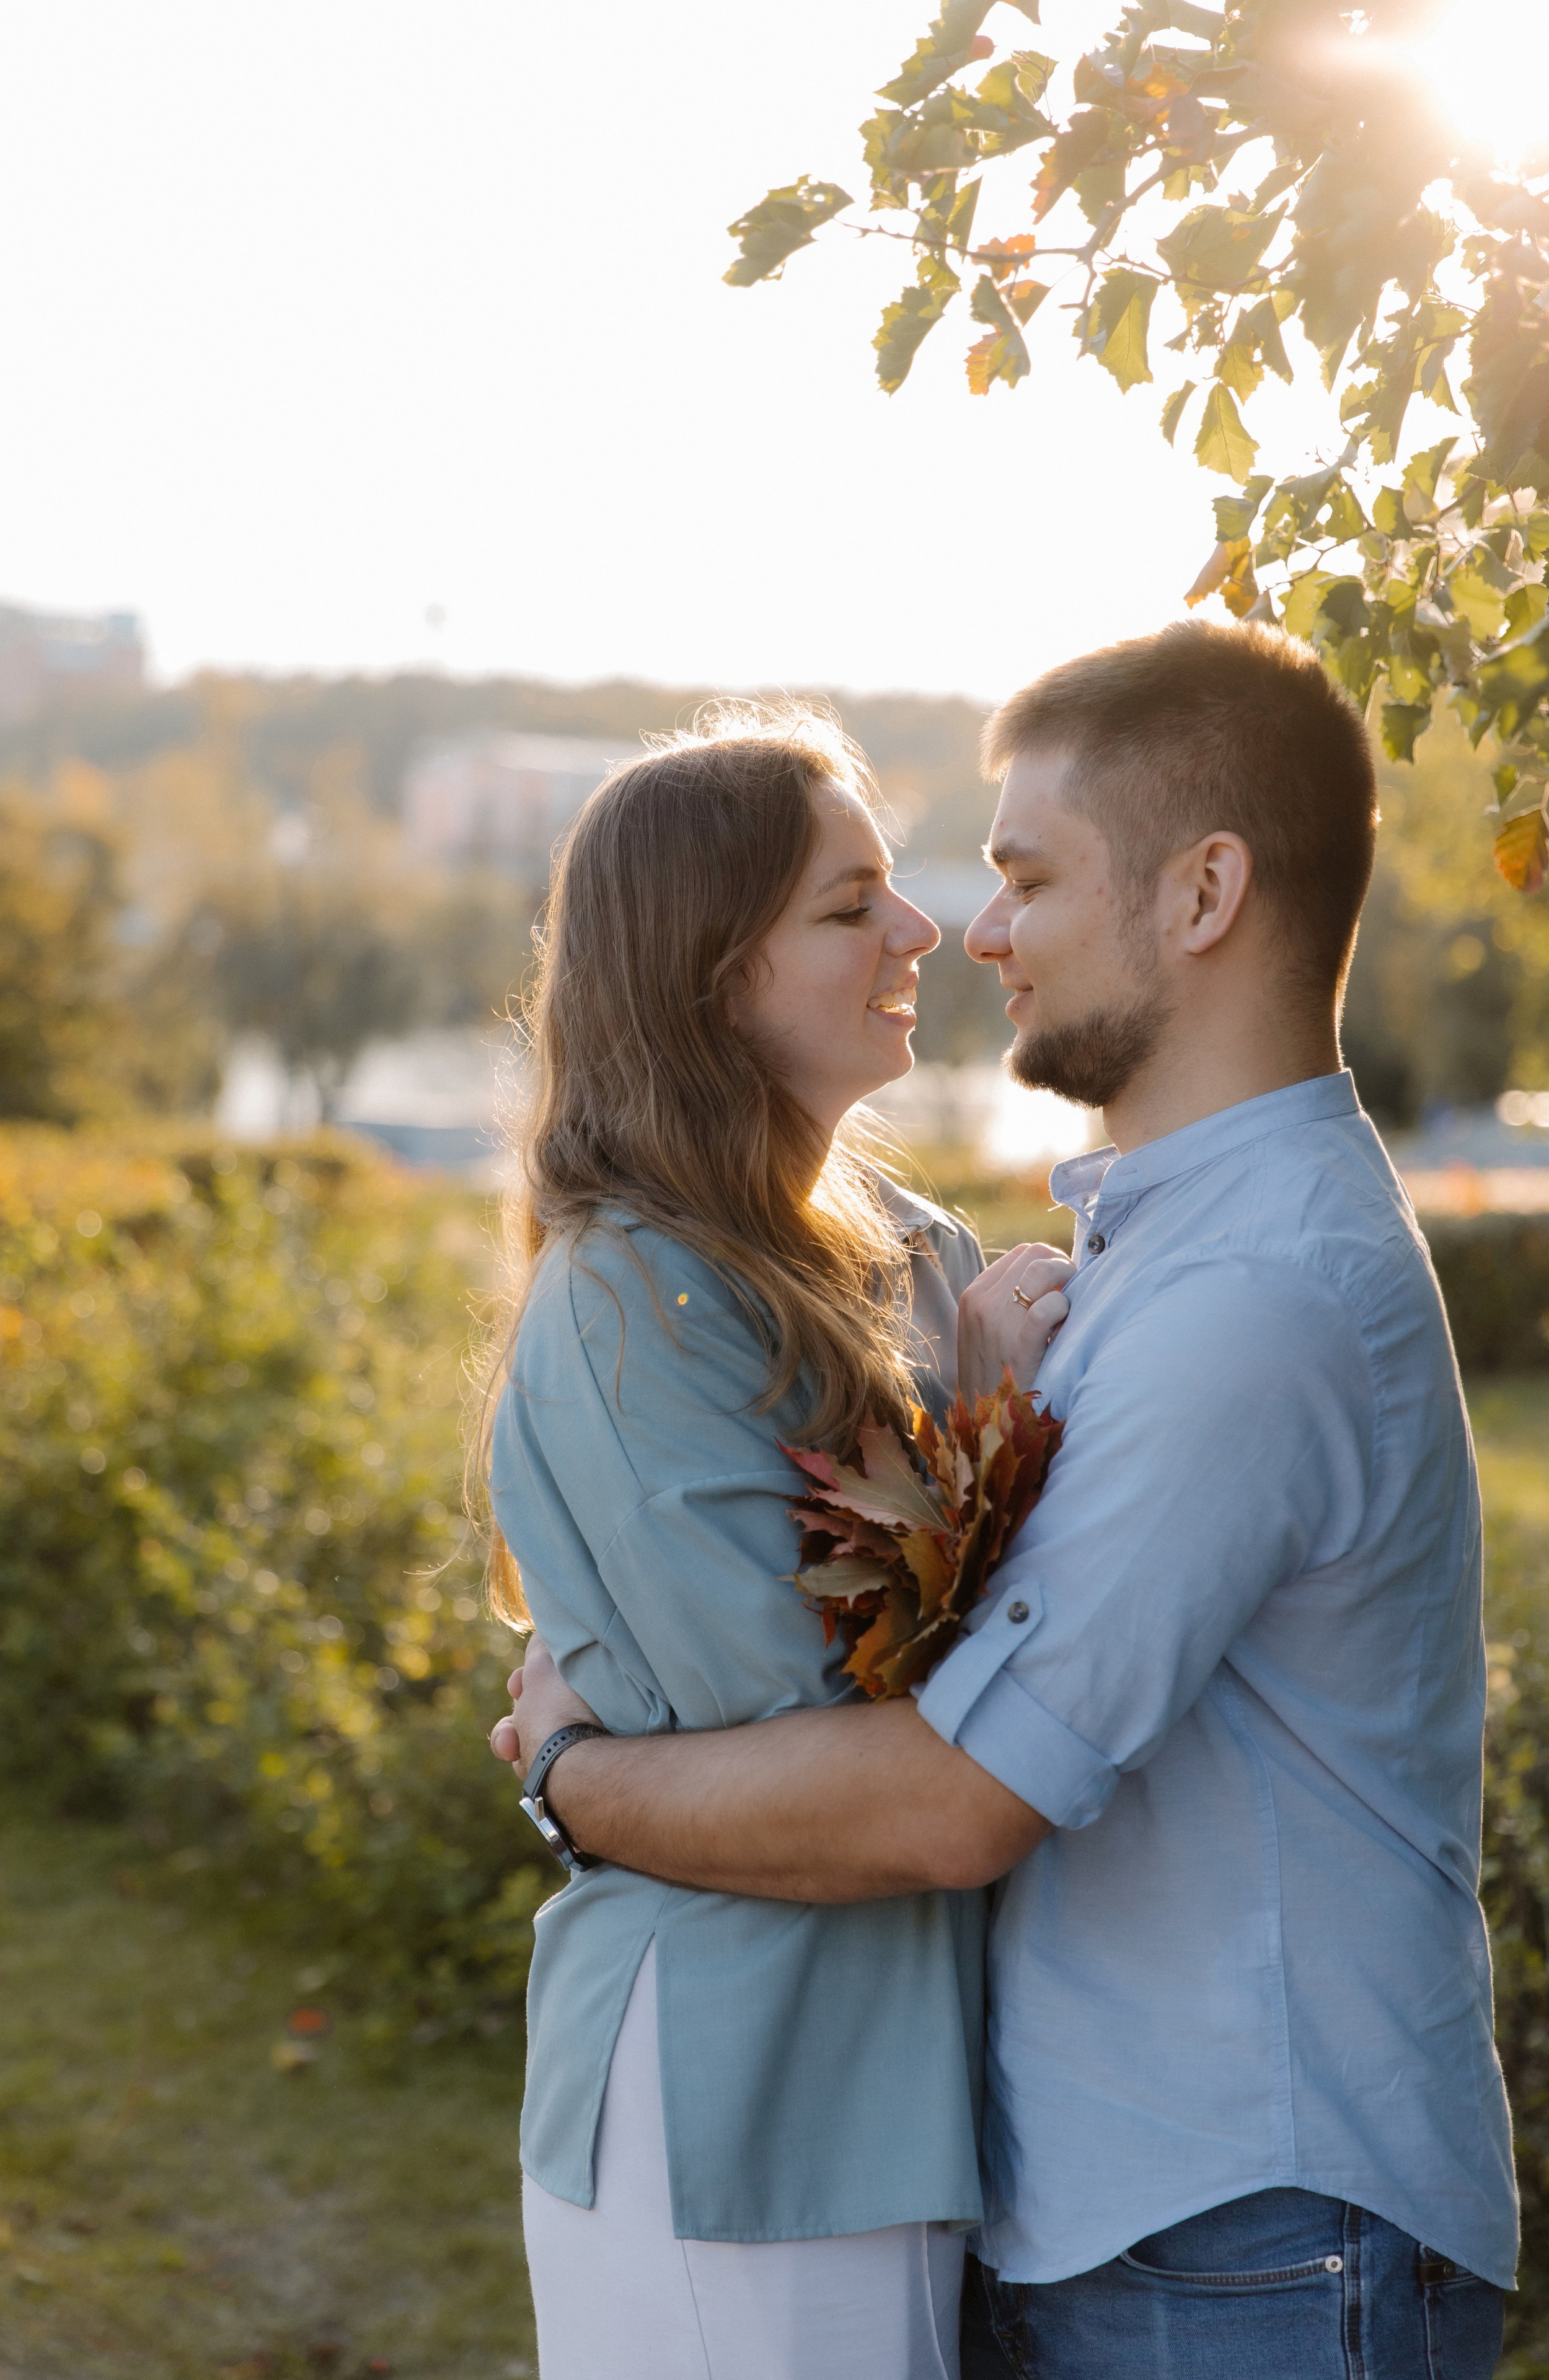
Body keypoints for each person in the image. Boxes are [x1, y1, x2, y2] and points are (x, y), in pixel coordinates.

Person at [496, 622, 1520, 2379]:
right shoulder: (1152, 1252)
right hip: (1144, 2207)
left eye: (1027, 879)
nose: (966, 932)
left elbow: (950, 1797)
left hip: (1254, 2223)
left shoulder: (1248, 1297)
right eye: (869, 901)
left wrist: (570, 1776)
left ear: (1205, 894)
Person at [485, 704, 1069, 2380]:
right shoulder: (633, 1295)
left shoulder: (919, 1254)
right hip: (735, 2092)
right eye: (849, 905)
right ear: (712, 971)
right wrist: (988, 1421)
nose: (921, 930)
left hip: (921, 2092)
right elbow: (825, 1744)